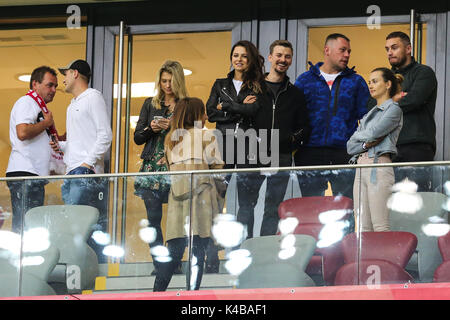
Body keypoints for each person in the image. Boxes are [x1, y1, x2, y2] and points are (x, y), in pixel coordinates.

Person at [153, 97, 224, 291]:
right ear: (195, 115)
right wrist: (221, 194)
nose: (206, 116)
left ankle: (155, 294)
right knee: (197, 254)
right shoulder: (207, 136)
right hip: (201, 203)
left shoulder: (171, 139)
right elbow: (217, 169)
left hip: (177, 203)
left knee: (172, 254)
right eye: (203, 112)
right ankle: (191, 297)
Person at [294, 33, 370, 199]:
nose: (347, 55)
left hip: (344, 153)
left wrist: (360, 147)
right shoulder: (305, 80)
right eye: (343, 50)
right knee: (311, 206)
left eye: (349, 51)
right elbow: (294, 115)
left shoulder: (356, 81)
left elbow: (367, 118)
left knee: (346, 207)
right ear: (327, 50)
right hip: (309, 153)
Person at [51, 59, 112, 262]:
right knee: (77, 228)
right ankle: (83, 271)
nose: (63, 79)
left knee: (82, 227)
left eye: (65, 74)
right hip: (72, 173)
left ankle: (92, 271)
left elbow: (105, 135)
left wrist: (87, 165)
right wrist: (61, 146)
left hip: (84, 173)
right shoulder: (73, 104)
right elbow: (80, 141)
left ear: (75, 73)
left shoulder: (93, 97)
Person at [206, 40, 264, 239]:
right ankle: (212, 254)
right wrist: (240, 105)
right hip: (223, 144)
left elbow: (254, 111)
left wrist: (227, 106)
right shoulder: (220, 84)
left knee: (247, 202)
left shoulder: (258, 85)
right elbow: (211, 114)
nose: (239, 59)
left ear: (250, 60)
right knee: (217, 199)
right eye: (236, 55)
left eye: (244, 56)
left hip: (249, 146)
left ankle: (243, 247)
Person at [251, 40, 310, 236]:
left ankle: (263, 252)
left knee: (272, 208)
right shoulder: (254, 89)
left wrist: (290, 140)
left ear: (291, 60)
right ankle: (243, 252)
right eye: (278, 55)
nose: (282, 60)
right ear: (270, 58)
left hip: (281, 155)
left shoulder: (295, 94)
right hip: (253, 153)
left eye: (287, 56)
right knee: (246, 206)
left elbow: (304, 126)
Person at [134, 60, 187, 275]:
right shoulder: (150, 104)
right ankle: (160, 263)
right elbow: (138, 137)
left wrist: (174, 128)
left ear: (178, 81)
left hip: (176, 167)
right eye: (163, 81)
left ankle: (175, 261)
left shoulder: (187, 105)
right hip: (152, 166)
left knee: (178, 219)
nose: (167, 85)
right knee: (153, 217)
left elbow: (195, 136)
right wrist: (151, 128)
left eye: (171, 81)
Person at [379, 31, 438, 191]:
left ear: (408, 48)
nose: (389, 52)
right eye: (387, 49)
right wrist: (398, 98)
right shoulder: (383, 78)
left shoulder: (424, 72)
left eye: (394, 47)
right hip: (388, 148)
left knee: (420, 200)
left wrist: (388, 101)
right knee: (387, 202)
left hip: (417, 146)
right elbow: (371, 106)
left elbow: (414, 100)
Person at [347, 68, 403, 232]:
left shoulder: (393, 109)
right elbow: (350, 146)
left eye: (375, 81)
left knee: (380, 225)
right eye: (369, 82)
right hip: (360, 166)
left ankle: (382, 258)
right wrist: (365, 144)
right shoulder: (369, 114)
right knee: (362, 227)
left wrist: (360, 136)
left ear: (388, 84)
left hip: (378, 165)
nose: (370, 85)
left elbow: (375, 133)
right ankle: (366, 259)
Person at [6, 66, 59, 233]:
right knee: (25, 227)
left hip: (32, 175)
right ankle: (21, 259)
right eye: (49, 85)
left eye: (55, 86)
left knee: (31, 226)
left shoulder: (39, 107)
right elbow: (22, 132)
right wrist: (46, 123)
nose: (54, 90)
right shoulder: (27, 102)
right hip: (24, 174)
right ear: (35, 84)